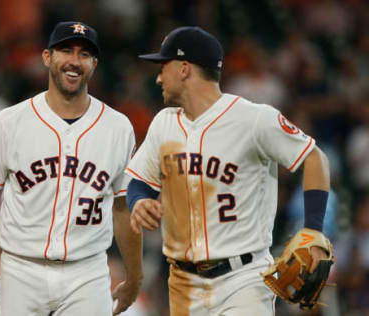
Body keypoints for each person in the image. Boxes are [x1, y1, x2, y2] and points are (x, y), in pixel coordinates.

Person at [126, 26, 331, 315]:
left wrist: (312, 229)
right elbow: (138, 180)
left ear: (184, 69)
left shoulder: (254, 119)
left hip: (243, 279)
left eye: (164, 67)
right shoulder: (164, 123)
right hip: (183, 284)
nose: (158, 77)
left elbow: (314, 159)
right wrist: (138, 201)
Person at [0, 21, 142, 316]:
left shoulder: (118, 128)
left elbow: (124, 208)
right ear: (47, 57)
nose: (75, 61)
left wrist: (134, 277)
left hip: (86, 273)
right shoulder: (10, 122)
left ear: (94, 64)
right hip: (21, 270)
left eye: (85, 54)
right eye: (66, 50)